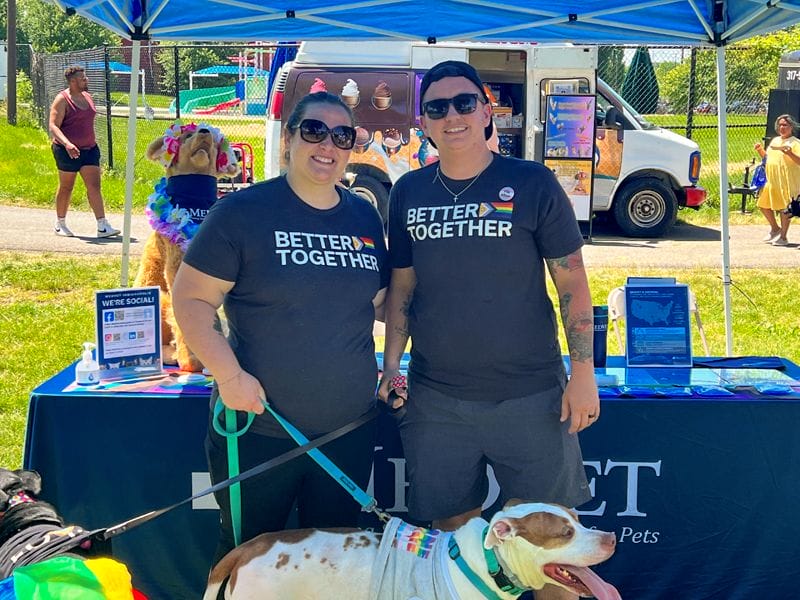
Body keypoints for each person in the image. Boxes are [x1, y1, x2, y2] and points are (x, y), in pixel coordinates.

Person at [377, 61, 598, 600]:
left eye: (464, 103)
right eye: (437, 108)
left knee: (553, 552)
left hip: (533, 395)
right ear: (423, 122)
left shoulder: (532, 182)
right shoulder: (408, 191)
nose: (452, 116)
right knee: (453, 552)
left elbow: (572, 282)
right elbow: (402, 290)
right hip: (438, 401)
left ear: (486, 111)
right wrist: (391, 367)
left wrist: (583, 372)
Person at [171, 91, 388, 564]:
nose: (327, 145)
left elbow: (381, 302)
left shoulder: (365, 216)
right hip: (259, 429)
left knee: (332, 564)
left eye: (342, 135)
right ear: (288, 138)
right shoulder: (243, 213)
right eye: (313, 130)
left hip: (347, 430)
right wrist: (228, 376)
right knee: (250, 564)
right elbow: (191, 299)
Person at [48, 66, 120, 238]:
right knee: (67, 187)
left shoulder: (87, 97)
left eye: (85, 78)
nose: (86, 80)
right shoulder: (62, 99)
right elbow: (53, 126)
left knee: (94, 186)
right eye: (83, 78)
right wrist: (67, 144)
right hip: (66, 151)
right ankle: (60, 223)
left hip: (89, 150)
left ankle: (102, 225)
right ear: (73, 81)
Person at [754, 113, 800, 246]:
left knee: (784, 209)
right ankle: (775, 229)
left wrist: (790, 153)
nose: (782, 127)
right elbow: (767, 158)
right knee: (763, 205)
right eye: (780, 125)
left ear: (791, 127)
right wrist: (760, 150)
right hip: (772, 180)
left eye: (785, 125)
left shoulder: (795, 143)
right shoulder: (775, 141)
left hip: (786, 181)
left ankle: (783, 237)